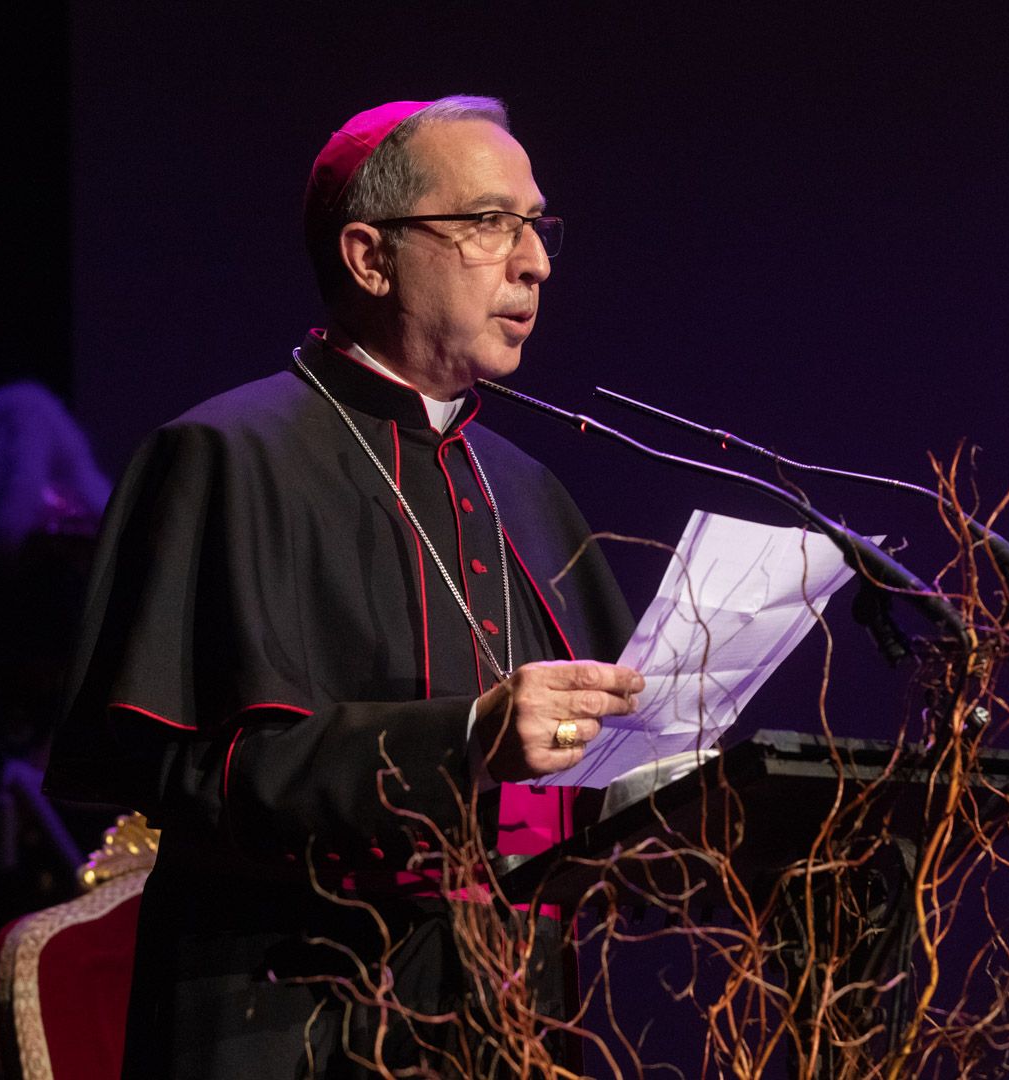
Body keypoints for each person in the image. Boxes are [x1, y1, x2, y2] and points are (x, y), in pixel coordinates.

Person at [43, 95, 643, 1077]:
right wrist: (461, 743)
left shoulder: (532, 491)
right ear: (370, 257)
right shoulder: (221, 458)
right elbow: (179, 777)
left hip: (510, 1030)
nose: (533, 260)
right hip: (288, 1024)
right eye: (490, 222)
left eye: (537, 226)